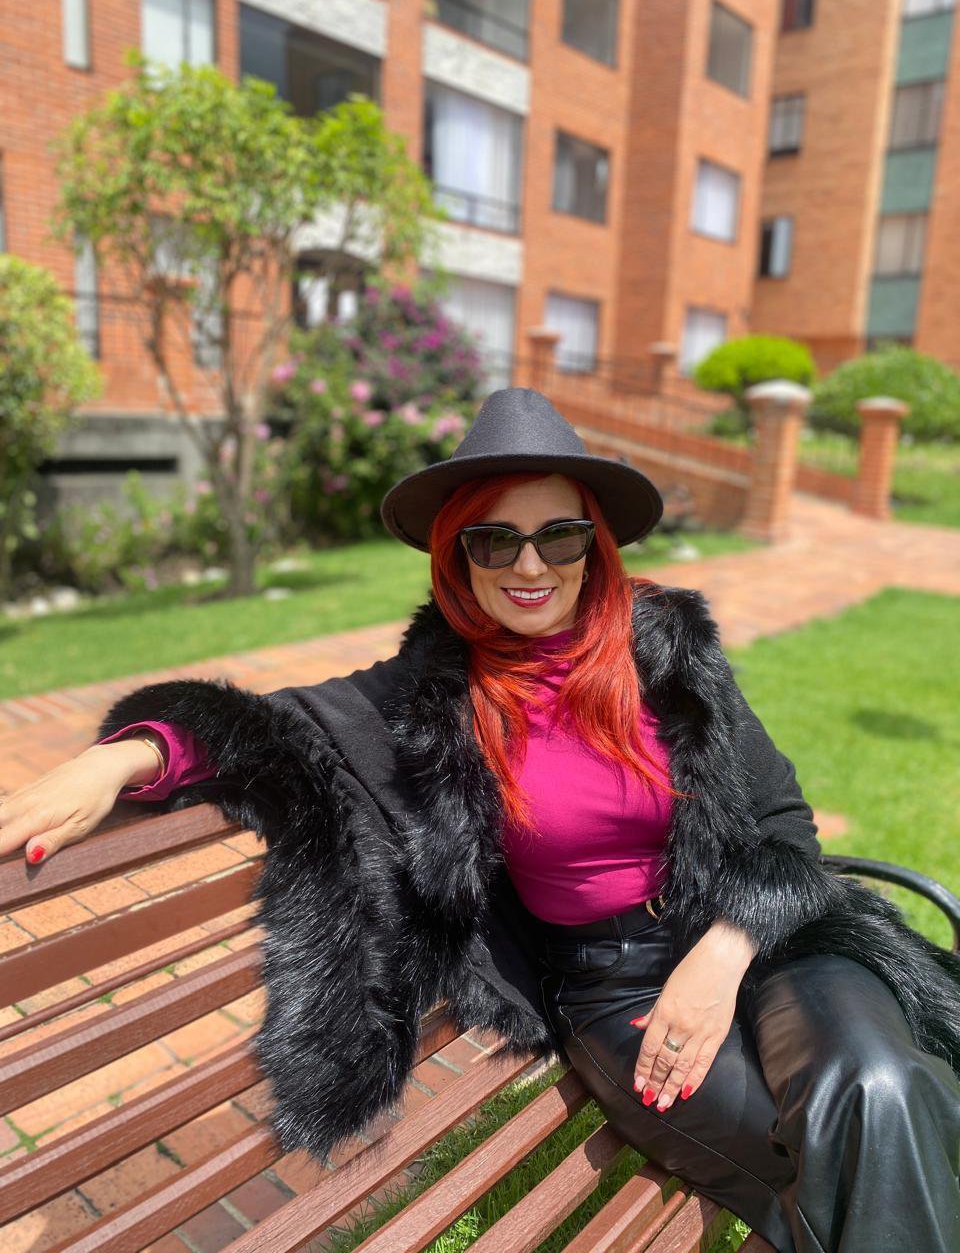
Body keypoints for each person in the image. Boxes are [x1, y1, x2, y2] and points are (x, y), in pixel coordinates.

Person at [1, 388, 958, 1253]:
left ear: (594, 544)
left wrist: (721, 956)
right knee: (863, 1150)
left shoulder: (668, 651)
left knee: (883, 1088)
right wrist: (124, 755)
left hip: (768, 940)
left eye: (559, 537)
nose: (529, 565)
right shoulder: (429, 697)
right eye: (495, 541)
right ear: (458, 554)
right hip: (615, 989)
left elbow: (784, 823)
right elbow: (270, 729)